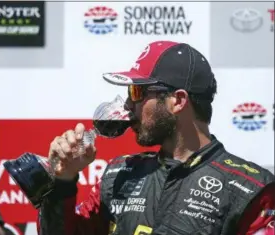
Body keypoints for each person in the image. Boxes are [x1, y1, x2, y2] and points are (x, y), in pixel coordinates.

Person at [37, 41, 275, 235]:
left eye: (137, 92)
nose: (129, 104)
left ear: (178, 101)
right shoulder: (119, 173)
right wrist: (63, 182)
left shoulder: (249, 189)